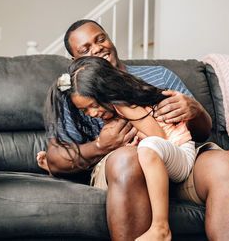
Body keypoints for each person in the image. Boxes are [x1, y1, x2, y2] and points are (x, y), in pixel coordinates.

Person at [40, 19, 229, 241]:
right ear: (76, 61)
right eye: (86, 49)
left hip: (174, 156)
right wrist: (101, 146)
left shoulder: (160, 76)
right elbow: (56, 159)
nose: (98, 48)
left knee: (225, 163)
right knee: (129, 158)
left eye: (100, 39)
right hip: (126, 168)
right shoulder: (76, 96)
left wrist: (195, 110)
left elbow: (202, 132)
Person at [39, 56, 198, 241]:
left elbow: (158, 137)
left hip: (180, 153)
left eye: (94, 105)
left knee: (146, 148)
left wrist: (132, 142)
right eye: (85, 111)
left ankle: (161, 227)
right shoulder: (116, 110)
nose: (93, 114)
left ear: (107, 92)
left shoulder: (124, 106)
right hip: (168, 156)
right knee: (139, 151)